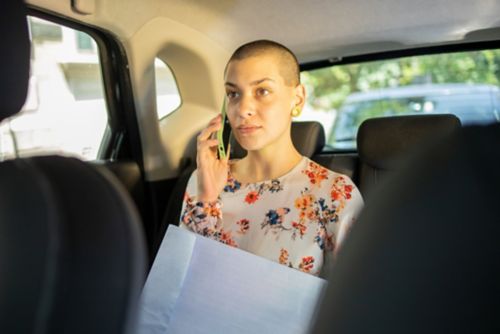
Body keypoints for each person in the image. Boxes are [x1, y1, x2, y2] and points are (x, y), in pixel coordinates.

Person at [180, 40, 363, 276]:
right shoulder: (203, 178)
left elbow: (356, 295)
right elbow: (181, 278)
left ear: (297, 99)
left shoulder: (335, 193)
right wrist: (207, 198)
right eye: (233, 93)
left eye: (262, 91)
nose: (242, 109)